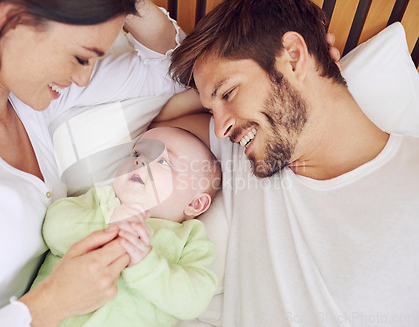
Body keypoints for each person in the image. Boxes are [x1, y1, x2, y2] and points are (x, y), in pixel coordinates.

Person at [0, 0, 187, 326]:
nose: (83, 79)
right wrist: (51, 304)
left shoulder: (30, 100)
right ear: (13, 19)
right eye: (80, 58)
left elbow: (174, 72)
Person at [152, 0, 419, 326]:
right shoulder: (250, 155)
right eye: (211, 110)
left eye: (228, 93)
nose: (221, 126)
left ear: (293, 56)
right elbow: (161, 128)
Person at [31, 126, 221, 327]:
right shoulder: (102, 200)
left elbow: (194, 301)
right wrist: (106, 223)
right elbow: (53, 230)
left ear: (195, 204)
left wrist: (147, 264)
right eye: (137, 153)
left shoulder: (189, 238)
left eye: (164, 161)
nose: (139, 161)